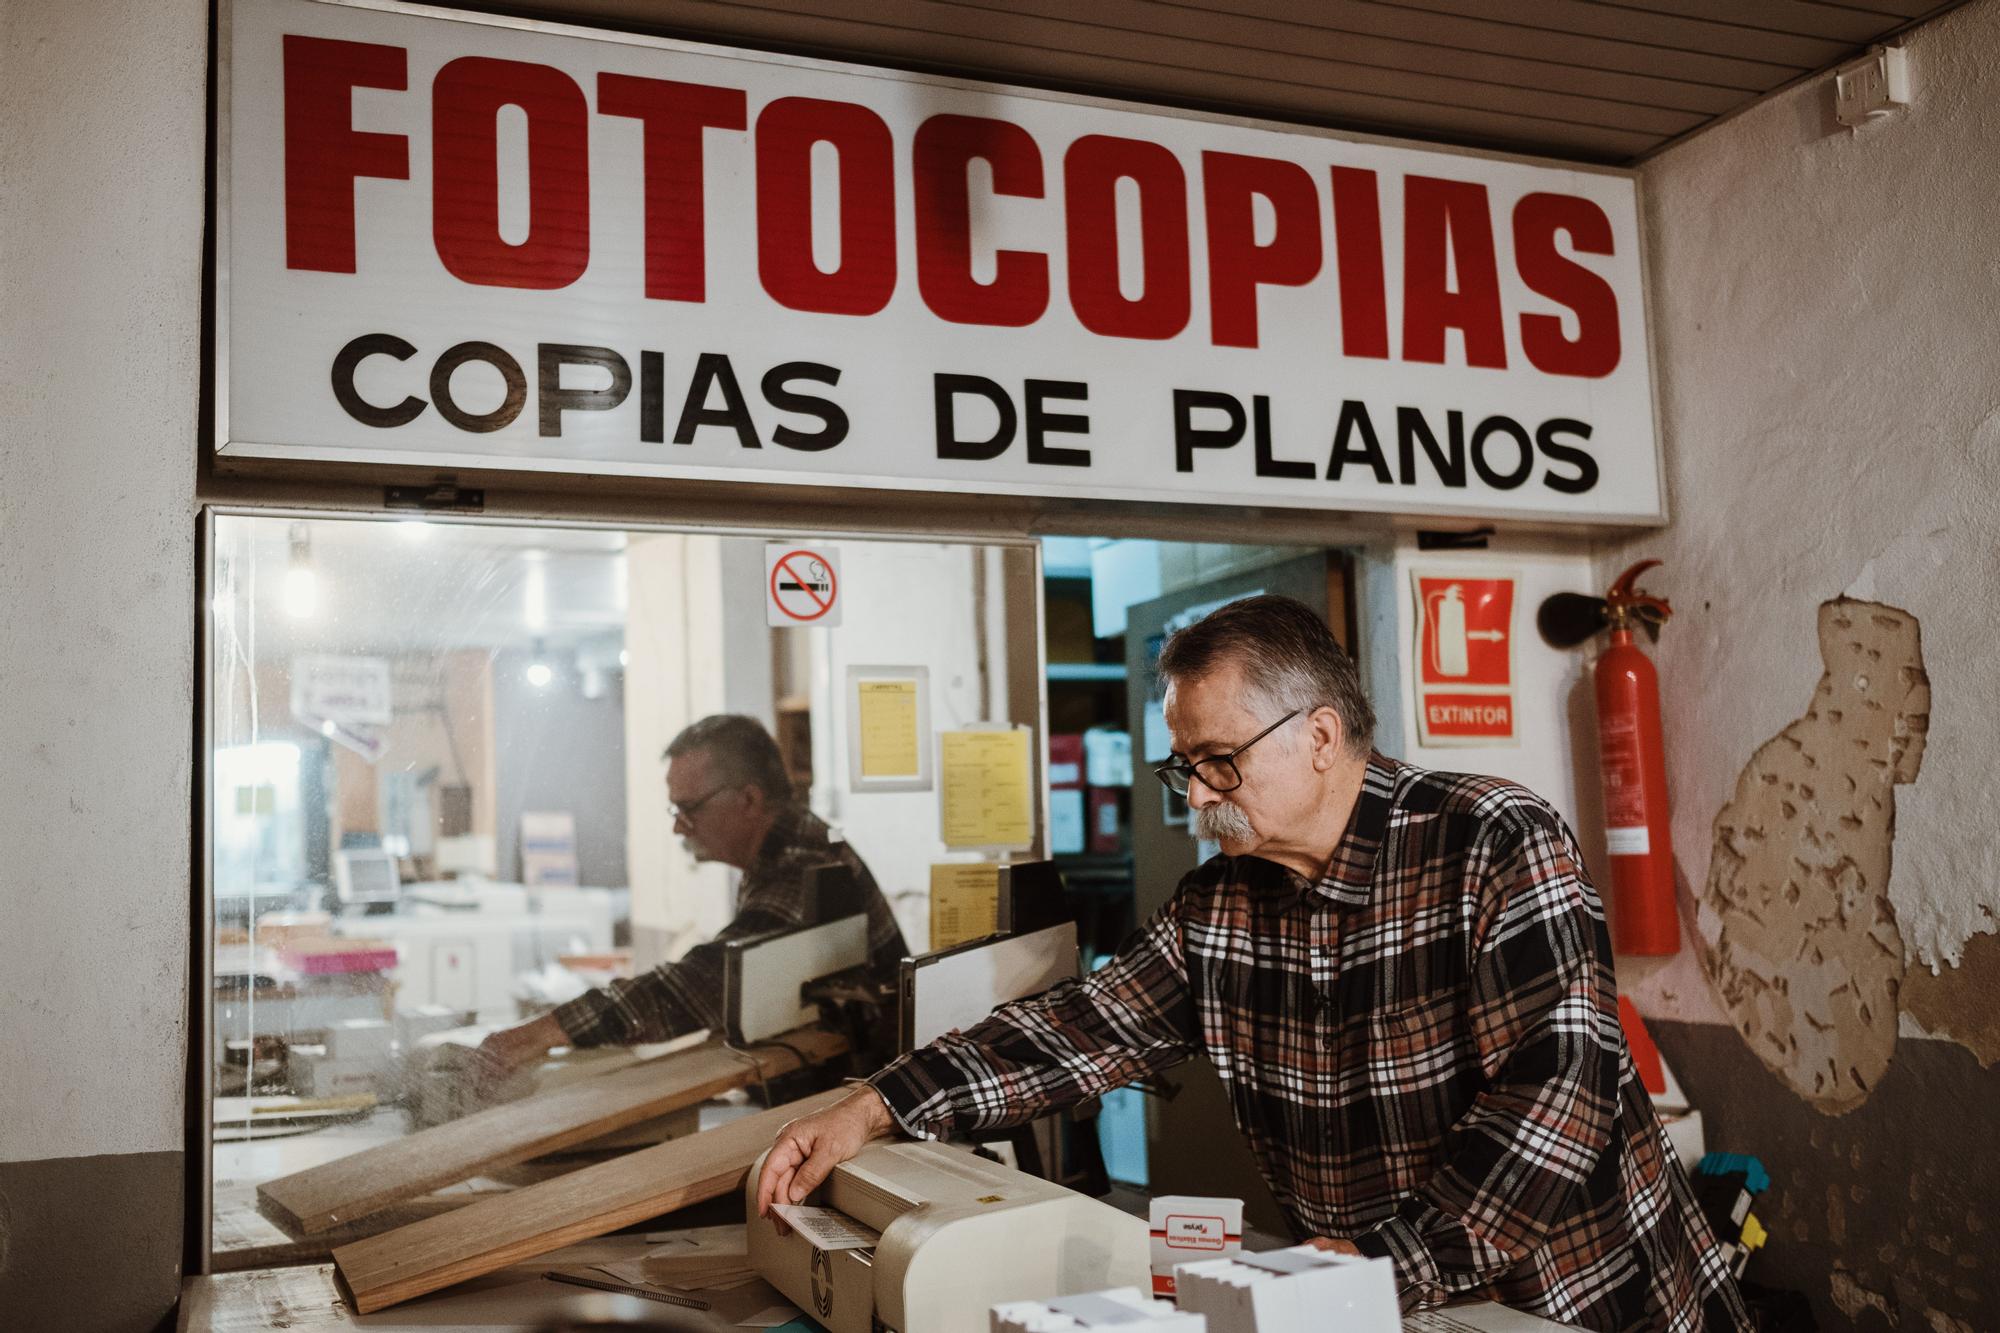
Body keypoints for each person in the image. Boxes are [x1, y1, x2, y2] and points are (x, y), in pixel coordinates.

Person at [755, 595, 1748, 1332]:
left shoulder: (1489, 839)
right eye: (1180, 766)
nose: (1194, 797)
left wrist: (1374, 1275)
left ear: (1318, 735)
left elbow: (1555, 1099)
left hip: (1587, 1302)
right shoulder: (1219, 906)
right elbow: (1077, 1030)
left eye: (1217, 761)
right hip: (1382, 1298)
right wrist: (877, 1104)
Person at [476, 713, 906, 1079]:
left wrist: (541, 1032)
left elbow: (707, 984)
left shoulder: (800, 863)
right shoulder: (786, 849)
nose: (679, 827)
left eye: (689, 808)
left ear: (749, 799)